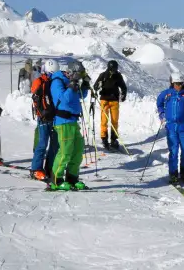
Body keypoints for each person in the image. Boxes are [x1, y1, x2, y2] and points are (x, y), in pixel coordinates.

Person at [48, 60, 90, 191]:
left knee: (77, 151)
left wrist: (85, 85)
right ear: (72, 72)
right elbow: (63, 99)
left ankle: (72, 178)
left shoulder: (68, 82)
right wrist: (72, 85)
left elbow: (80, 96)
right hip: (63, 121)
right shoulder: (57, 81)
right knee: (65, 152)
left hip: (72, 122)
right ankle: (56, 180)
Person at [29, 59, 61, 182]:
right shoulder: (40, 81)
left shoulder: (55, 82)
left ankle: (49, 168)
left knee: (54, 145)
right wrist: (41, 113)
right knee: (42, 144)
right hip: (43, 117)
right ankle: (36, 169)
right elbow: (35, 98)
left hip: (53, 117)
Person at [93, 59, 127, 151]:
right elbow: (95, 86)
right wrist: (98, 86)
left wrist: (123, 94)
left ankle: (113, 139)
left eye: (115, 69)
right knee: (104, 120)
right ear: (109, 68)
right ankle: (104, 139)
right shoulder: (103, 75)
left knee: (114, 121)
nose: (114, 71)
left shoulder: (118, 76)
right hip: (104, 100)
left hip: (114, 100)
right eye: (113, 69)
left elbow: (123, 86)